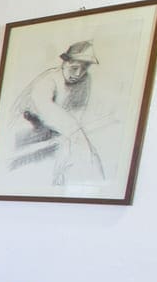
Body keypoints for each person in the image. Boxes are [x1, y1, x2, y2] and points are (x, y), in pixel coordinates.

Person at [8, 40, 108, 187]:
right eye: (74, 68)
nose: (78, 74)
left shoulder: (85, 81)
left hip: (56, 137)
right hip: (23, 137)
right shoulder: (48, 81)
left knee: (80, 155)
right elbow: (49, 111)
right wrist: (77, 137)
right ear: (65, 63)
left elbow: (75, 116)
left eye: (84, 69)